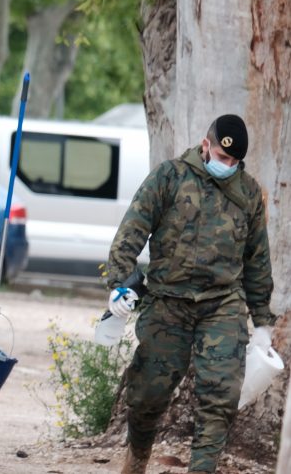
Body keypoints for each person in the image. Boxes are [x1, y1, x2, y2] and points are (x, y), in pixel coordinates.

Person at [105, 114, 274, 474]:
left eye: (234, 162)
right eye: (221, 156)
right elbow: (131, 232)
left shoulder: (247, 194)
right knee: (148, 393)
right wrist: (119, 283)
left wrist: (262, 324)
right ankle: (136, 460)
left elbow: (258, 260)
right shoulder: (169, 177)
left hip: (222, 304)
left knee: (220, 397)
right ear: (205, 145)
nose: (226, 165)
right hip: (168, 301)